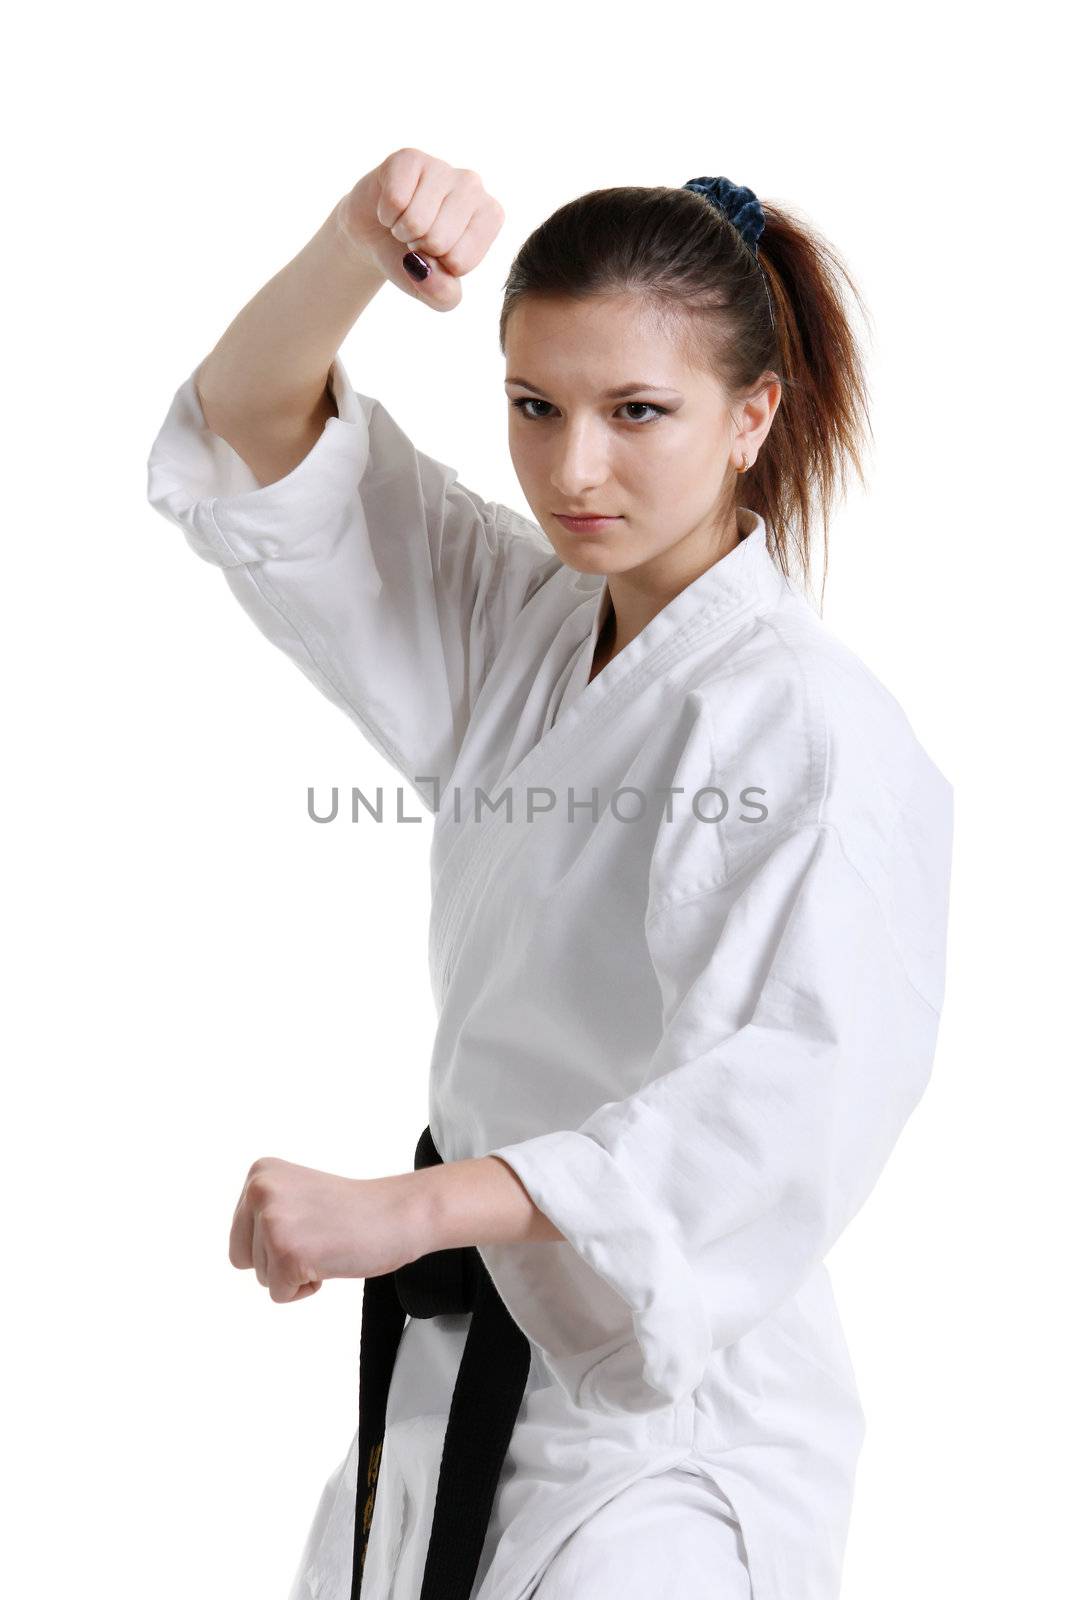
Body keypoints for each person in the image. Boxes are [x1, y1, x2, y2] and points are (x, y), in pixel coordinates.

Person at [144, 149, 954, 1600]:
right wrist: (351, 243)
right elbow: (251, 431)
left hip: (666, 1429)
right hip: (451, 1383)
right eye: (535, 406)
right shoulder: (524, 619)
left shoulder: (812, 728)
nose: (575, 468)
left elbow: (776, 1104)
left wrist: (415, 1211)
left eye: (639, 411)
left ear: (751, 414)